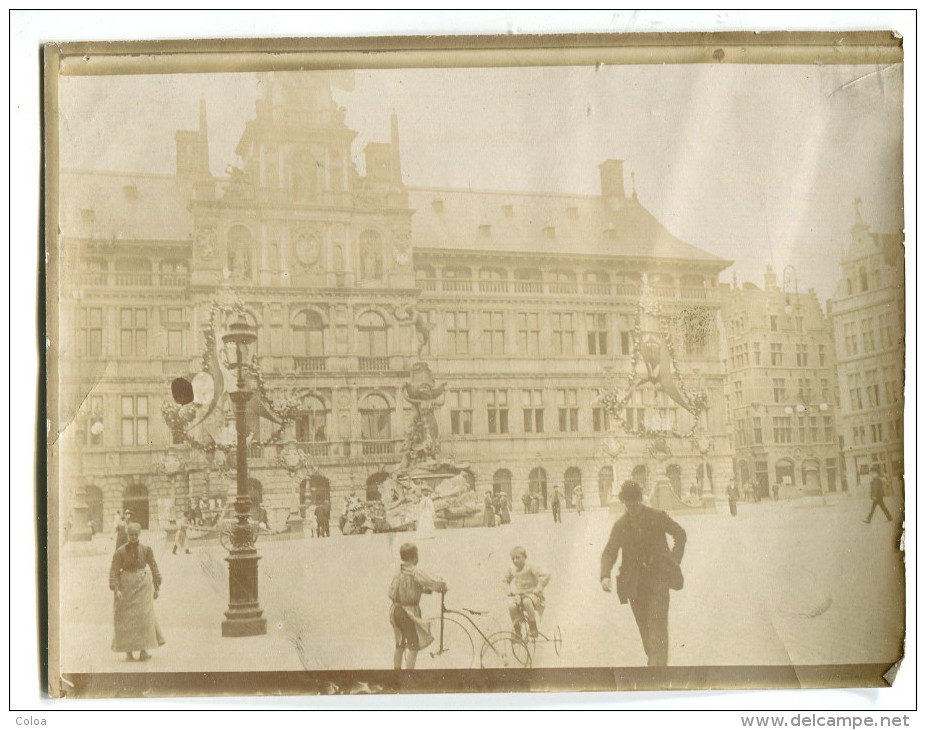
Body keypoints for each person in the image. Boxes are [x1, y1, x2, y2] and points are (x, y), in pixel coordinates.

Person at [600, 480, 687, 667]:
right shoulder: (621, 525)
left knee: (657, 627)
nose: (631, 507)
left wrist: (673, 561)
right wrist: (605, 574)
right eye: (628, 504)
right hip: (635, 587)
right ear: (624, 502)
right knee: (646, 631)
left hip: (658, 582)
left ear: (641, 499)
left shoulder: (657, 516)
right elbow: (610, 551)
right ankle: (655, 664)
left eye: (635, 502)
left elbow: (680, 534)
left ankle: (657, 671)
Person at [109, 523, 165, 662]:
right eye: (131, 535)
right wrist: (116, 589)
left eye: (135, 535)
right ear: (127, 535)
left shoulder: (146, 550)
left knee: (143, 617)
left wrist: (157, 585)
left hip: (143, 586)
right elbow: (114, 571)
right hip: (125, 587)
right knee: (125, 618)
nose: (133, 537)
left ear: (139, 534)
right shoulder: (120, 552)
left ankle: (143, 651)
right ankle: (128, 651)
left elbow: (153, 566)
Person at [388, 542, 447, 670]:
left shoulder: (399, 570)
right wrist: (442, 586)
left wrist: (425, 589)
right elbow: (430, 581)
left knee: (400, 644)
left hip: (395, 610)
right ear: (415, 556)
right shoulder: (414, 571)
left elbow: (408, 586)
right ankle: (409, 677)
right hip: (407, 612)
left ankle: (396, 673)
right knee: (414, 646)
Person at [503, 546, 550, 638]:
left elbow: (546, 574)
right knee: (511, 606)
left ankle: (533, 627)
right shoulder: (512, 569)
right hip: (519, 595)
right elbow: (505, 580)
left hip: (533, 596)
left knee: (527, 601)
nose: (515, 560)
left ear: (524, 557)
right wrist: (509, 591)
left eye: (518, 557)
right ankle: (517, 632)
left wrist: (538, 589)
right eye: (513, 558)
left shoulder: (530, 567)